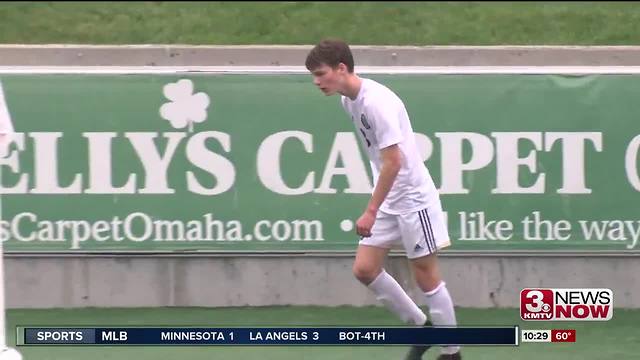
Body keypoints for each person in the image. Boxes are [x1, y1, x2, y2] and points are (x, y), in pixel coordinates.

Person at [305, 39, 461, 360]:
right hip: (391, 196)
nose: (317, 82)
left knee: (426, 275)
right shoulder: (349, 101)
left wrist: (370, 210)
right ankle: (422, 330)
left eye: (321, 74)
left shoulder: (377, 102)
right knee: (364, 269)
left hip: (413, 199)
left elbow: (394, 161)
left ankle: (451, 351)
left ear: (342, 68)